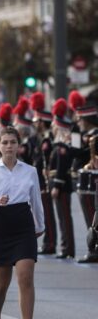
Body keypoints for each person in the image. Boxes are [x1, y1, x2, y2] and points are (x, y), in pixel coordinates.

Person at [0, 127, 45, 319]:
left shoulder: (29, 171)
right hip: (0, 224)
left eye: (12, 142)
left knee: (26, 276)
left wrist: (40, 225)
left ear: (19, 145)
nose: (9, 146)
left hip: (23, 223)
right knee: (1, 282)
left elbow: (36, 200)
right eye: (5, 142)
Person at [69, 91, 98, 263]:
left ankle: (93, 248)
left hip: (91, 179)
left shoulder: (93, 136)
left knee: (92, 218)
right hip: (83, 178)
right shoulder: (86, 135)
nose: (78, 122)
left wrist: (73, 134)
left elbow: (75, 152)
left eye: (80, 119)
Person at [30, 92, 57, 255]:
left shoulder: (47, 140)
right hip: (40, 180)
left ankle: (50, 243)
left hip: (45, 180)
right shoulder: (40, 138)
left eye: (37, 122)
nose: (35, 125)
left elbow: (43, 161)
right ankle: (48, 242)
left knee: (47, 214)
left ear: (41, 122)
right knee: (43, 213)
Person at [48, 99, 75, 259]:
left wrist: (57, 185)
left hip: (62, 186)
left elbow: (61, 168)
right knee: (62, 217)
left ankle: (68, 248)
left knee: (64, 217)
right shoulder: (58, 145)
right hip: (58, 184)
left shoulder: (63, 146)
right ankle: (65, 247)